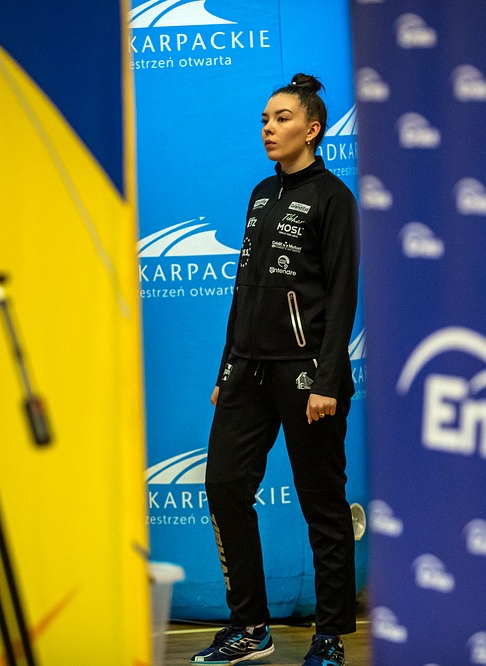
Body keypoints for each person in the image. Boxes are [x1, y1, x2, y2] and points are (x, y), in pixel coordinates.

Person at [191, 73, 359, 666]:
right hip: (247, 370)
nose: (268, 127)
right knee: (223, 485)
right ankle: (249, 626)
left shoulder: (334, 198)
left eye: (282, 118)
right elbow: (245, 290)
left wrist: (327, 381)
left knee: (323, 504)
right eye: (264, 119)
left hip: (306, 374)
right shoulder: (261, 194)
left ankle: (330, 636)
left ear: (312, 130)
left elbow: (342, 297)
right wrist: (226, 368)